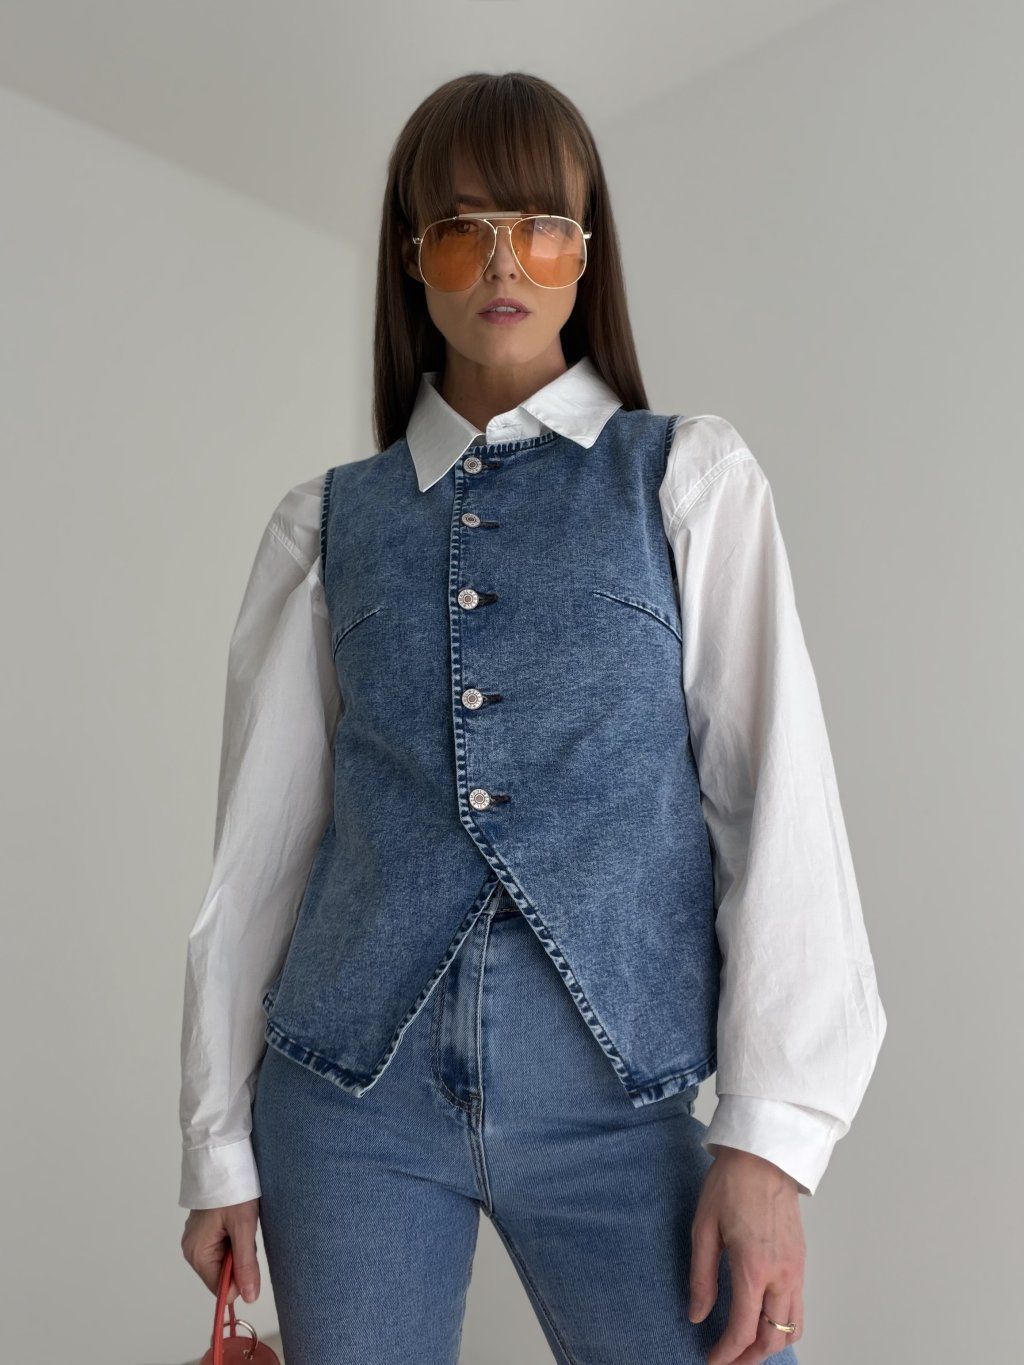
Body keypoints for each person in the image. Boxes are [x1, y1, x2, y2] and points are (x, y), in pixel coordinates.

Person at [178, 71, 886, 1365]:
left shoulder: (688, 478)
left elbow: (778, 808)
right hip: (349, 1105)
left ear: (585, 251)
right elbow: (259, 859)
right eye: (461, 230)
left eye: (540, 226)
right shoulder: (325, 527)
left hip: (616, 1103)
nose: (503, 262)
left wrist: (772, 1142)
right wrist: (217, 1144)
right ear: (412, 260)